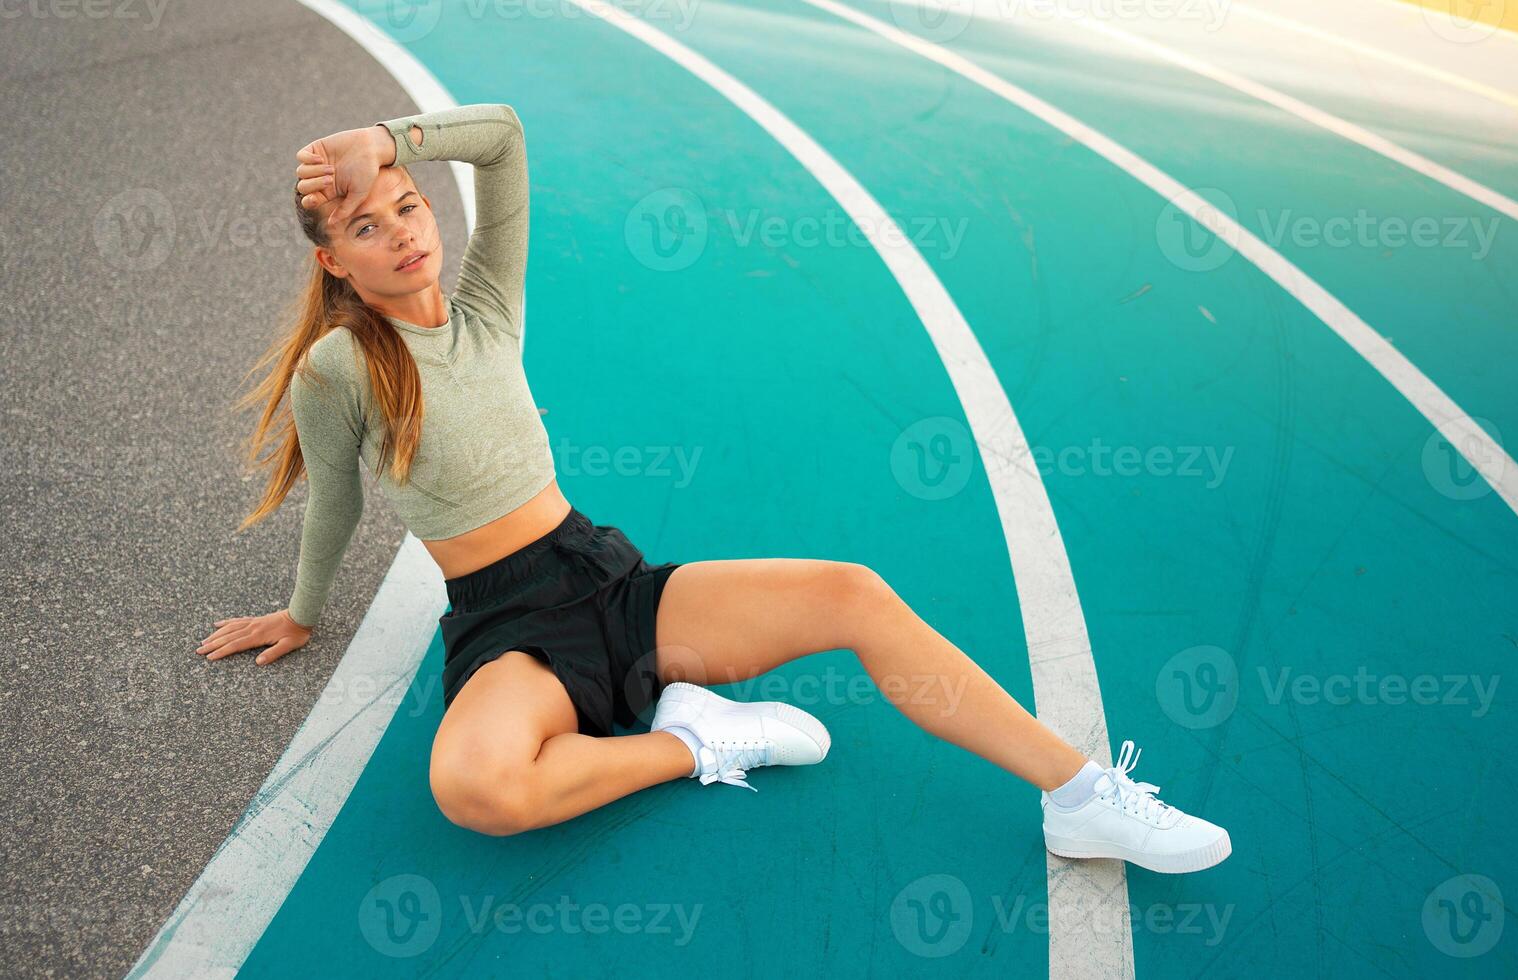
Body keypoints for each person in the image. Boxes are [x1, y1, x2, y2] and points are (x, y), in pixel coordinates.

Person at [199, 103, 1231, 874]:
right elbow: (332, 497)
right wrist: (299, 612)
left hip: (604, 578)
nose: (403, 230)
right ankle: (691, 738)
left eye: (407, 205)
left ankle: (1079, 792)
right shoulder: (338, 367)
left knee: (852, 592)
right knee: (473, 787)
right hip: (507, 627)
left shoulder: (485, 303)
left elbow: (504, 138)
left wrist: (388, 138)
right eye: (368, 227)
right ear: (334, 261)